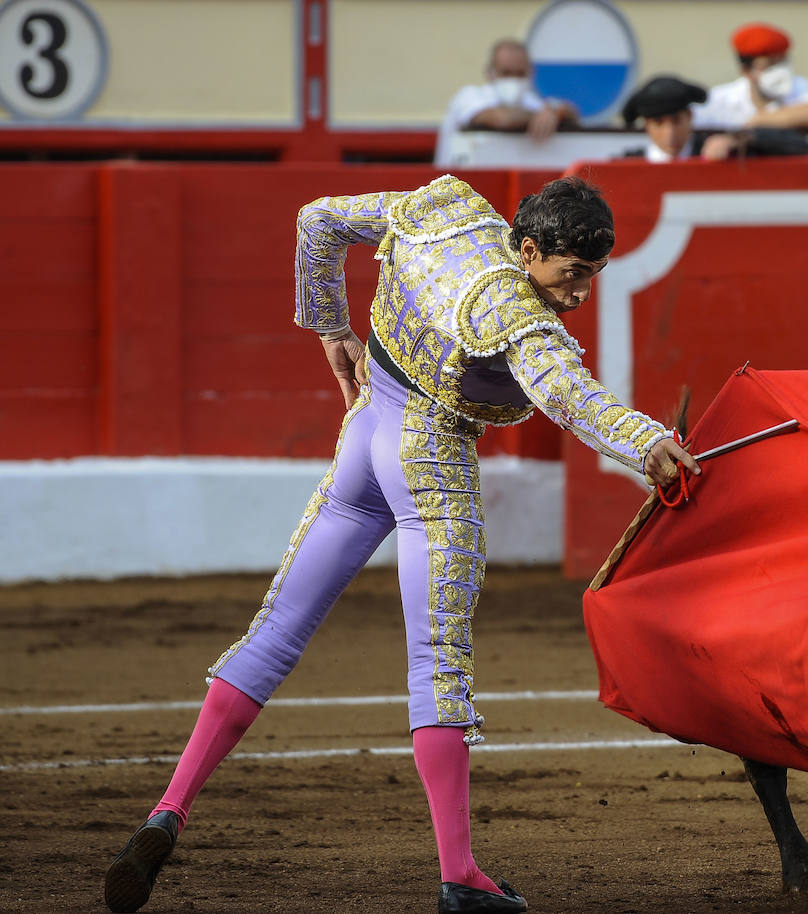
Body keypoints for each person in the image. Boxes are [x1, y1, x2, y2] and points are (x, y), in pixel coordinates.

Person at [102, 175, 699, 914]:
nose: (578, 295)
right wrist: (649, 444)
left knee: (277, 629)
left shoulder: (440, 203)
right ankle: (459, 877)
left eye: (592, 276)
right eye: (570, 274)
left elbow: (316, 218)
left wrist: (333, 329)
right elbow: (568, 396)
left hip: (365, 440)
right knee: (437, 663)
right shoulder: (517, 313)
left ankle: (170, 810)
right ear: (527, 248)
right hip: (431, 463)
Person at [434, 39, 579, 164]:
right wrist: (543, 115)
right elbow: (502, 119)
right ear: (490, 72)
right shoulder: (469, 96)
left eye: (520, 73)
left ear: (530, 72)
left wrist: (556, 112)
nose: (513, 79)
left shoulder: (530, 101)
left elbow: (572, 112)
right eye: (506, 72)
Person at [620, 74, 808, 162]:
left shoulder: (717, 148)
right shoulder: (629, 163)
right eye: (658, 124)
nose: (669, 134)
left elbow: (800, 146)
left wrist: (736, 139)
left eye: (676, 121)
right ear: (647, 126)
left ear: (690, 117)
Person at [691, 22, 808, 132]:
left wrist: (758, 121)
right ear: (746, 71)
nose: (780, 72)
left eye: (783, 62)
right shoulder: (722, 99)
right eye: (770, 65)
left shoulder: (800, 87)